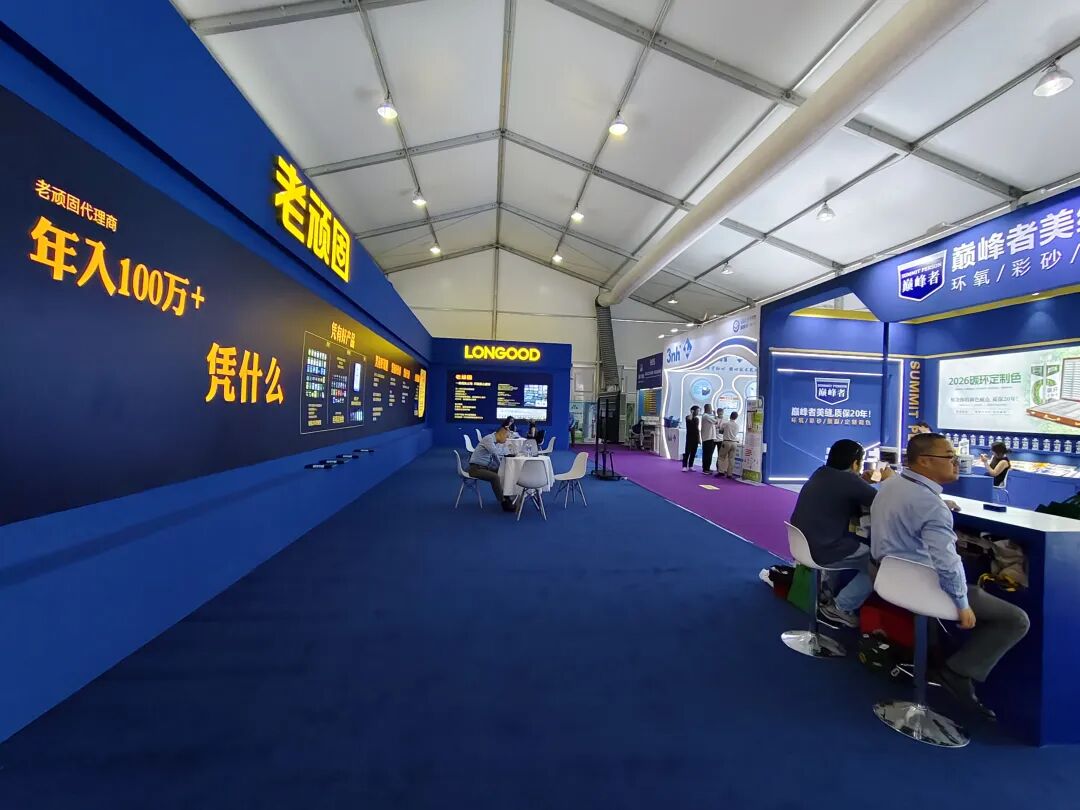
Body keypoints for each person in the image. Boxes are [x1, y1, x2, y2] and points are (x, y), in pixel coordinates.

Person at [871, 433, 1030, 719]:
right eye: (949, 456)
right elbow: (947, 563)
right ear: (924, 461)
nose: (956, 462)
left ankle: (933, 660)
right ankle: (957, 672)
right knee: (1016, 620)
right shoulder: (930, 505)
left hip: (889, 579)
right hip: (925, 587)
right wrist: (962, 603)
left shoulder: (890, 484)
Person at [791, 439, 894, 627]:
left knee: (848, 544)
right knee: (879, 564)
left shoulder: (821, 472)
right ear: (855, 463)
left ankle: (826, 594)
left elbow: (843, 491)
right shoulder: (849, 481)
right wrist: (889, 480)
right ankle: (841, 607)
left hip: (803, 544)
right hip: (824, 549)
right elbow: (885, 502)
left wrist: (861, 481)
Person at [468, 426, 518, 512]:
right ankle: (503, 502)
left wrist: (501, 468)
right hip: (475, 469)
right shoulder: (489, 439)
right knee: (495, 477)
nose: (506, 439)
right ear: (501, 434)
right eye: (506, 437)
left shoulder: (493, 441)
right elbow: (495, 452)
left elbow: (495, 456)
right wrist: (509, 450)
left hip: (484, 467)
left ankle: (506, 495)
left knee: (504, 472)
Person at [715, 411, 740, 479]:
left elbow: (720, 431)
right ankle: (729, 474)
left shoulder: (726, 424)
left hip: (726, 442)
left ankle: (721, 472)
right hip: (734, 443)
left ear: (730, 416)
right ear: (736, 417)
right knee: (731, 459)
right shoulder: (737, 425)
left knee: (721, 457)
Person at [700, 404, 718, 474]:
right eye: (710, 408)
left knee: (708, 454)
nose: (711, 410)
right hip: (708, 438)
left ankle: (706, 468)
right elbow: (716, 421)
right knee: (708, 454)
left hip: (708, 438)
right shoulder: (706, 416)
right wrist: (715, 414)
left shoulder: (706, 416)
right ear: (707, 409)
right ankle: (706, 469)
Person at [682, 406, 700, 471]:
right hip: (689, 438)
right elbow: (689, 420)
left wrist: (699, 439)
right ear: (693, 411)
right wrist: (691, 413)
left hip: (695, 437)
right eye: (697, 411)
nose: (698, 412)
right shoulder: (688, 417)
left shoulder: (697, 419)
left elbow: (697, 429)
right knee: (687, 452)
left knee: (693, 453)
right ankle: (684, 466)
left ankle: (691, 465)